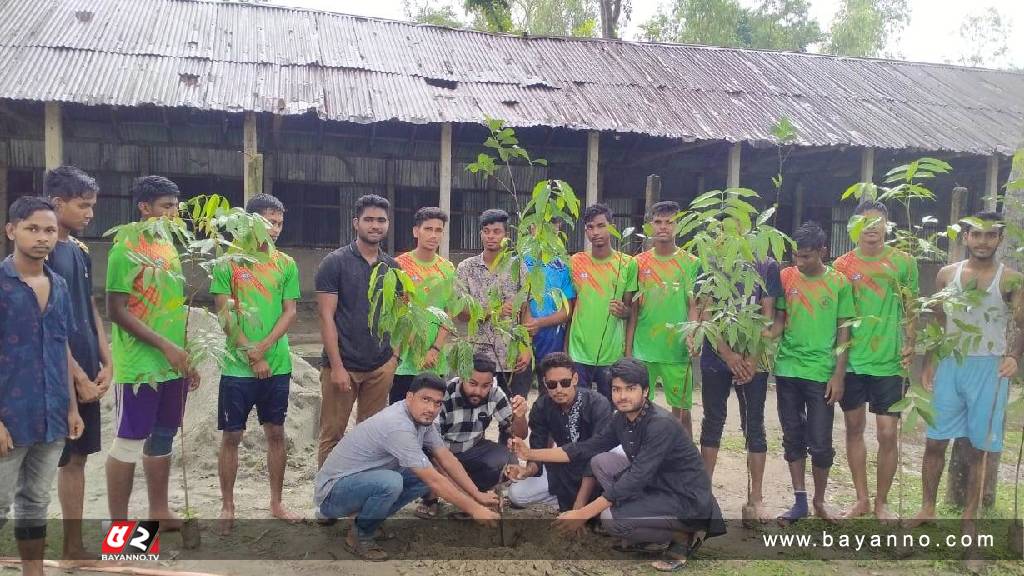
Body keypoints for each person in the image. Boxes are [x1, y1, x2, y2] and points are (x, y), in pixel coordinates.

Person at [510, 358, 724, 572]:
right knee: (600, 461)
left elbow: (636, 477)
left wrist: (583, 513)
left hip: (686, 497)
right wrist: (529, 453)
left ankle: (682, 535)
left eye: (630, 389)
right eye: (616, 389)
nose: (622, 396)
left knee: (610, 519)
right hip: (656, 486)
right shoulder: (621, 419)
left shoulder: (661, 424)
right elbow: (586, 448)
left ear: (646, 391)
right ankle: (647, 521)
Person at [907, 211, 1023, 538]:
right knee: (935, 441)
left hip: (989, 368)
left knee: (978, 448)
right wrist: (930, 359)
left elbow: (1022, 323)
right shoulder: (946, 276)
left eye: (990, 235)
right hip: (950, 365)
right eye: (976, 234)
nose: (983, 242)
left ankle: (969, 517)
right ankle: (927, 507)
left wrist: (1013, 355)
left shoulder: (1010, 279)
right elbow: (938, 320)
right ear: (965, 237)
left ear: (1000, 238)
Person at [315, 373, 500, 561]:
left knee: (417, 479)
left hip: (359, 482)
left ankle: (369, 522)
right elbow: (434, 480)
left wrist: (478, 495)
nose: (431, 408)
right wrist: (475, 509)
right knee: (392, 482)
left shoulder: (422, 421)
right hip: (332, 494)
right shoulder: (398, 425)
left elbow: (446, 458)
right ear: (409, 397)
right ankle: (360, 536)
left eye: (437, 403)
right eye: (425, 400)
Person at [105, 176, 198, 528]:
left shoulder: (168, 247)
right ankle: (119, 529)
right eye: (165, 206)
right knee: (129, 442)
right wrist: (165, 346)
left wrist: (187, 355)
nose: (173, 213)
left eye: (176, 206)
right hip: (140, 365)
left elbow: (171, 308)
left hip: (172, 364)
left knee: (163, 437)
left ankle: (158, 512)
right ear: (144, 207)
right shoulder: (124, 248)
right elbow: (116, 309)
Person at [0, 196, 84, 576]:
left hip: (51, 415)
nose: (41, 237)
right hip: (9, 418)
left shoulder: (60, 285)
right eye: (32, 228)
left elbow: (60, 344)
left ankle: (34, 571)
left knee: (35, 500)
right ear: (11, 230)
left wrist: (71, 408)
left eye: (49, 230)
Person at [212, 193, 301, 534]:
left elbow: (290, 311)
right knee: (232, 435)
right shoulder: (228, 263)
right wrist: (250, 352)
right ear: (250, 222)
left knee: (276, 433)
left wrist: (263, 349)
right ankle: (227, 505)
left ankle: (276, 502)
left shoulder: (286, 264)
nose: (275, 229)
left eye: (279, 223)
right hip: (237, 368)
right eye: (268, 222)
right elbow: (225, 312)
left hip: (276, 365)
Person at [833, 200, 918, 522]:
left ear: (888, 226)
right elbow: (839, 317)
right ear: (853, 226)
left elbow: (911, 308)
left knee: (887, 433)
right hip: (853, 362)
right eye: (864, 222)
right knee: (854, 428)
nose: (871, 228)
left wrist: (911, 343)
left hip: (889, 363)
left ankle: (883, 502)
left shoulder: (903, 263)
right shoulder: (841, 266)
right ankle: (862, 499)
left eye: (878, 222)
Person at [45, 167, 113, 561]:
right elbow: (50, 321)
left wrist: (106, 360)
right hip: (60, 370)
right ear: (58, 203)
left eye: (91, 206)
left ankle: (75, 546)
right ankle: (70, 548)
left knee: (79, 457)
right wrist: (77, 377)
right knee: (64, 457)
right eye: (83, 206)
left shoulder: (80, 251)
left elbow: (89, 307)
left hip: (88, 367)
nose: (90, 214)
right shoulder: (47, 251)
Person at [767, 221, 853, 526]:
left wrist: (838, 375)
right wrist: (757, 339)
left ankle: (819, 501)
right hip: (787, 370)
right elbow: (778, 320)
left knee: (820, 441)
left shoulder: (840, 283)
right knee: (792, 436)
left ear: (823, 252)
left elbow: (845, 334)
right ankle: (800, 501)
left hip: (821, 374)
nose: (799, 263)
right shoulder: (785, 277)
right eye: (796, 256)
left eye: (806, 257)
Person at [315, 194, 400, 469]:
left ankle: (360, 494)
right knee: (333, 435)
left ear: (387, 224)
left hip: (379, 367)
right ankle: (327, 499)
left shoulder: (393, 267)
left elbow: (399, 315)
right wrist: (337, 367)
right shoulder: (335, 262)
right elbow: (326, 316)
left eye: (381, 220)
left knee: (370, 436)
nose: (375, 226)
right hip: (343, 366)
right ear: (356, 223)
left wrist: (393, 359)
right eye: (369, 220)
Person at [699, 258, 782, 524]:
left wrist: (753, 358)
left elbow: (767, 315)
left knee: (754, 425)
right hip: (715, 357)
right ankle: (704, 494)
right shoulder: (710, 263)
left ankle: (755, 499)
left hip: (753, 358)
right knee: (712, 421)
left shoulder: (767, 266)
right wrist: (728, 355)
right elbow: (706, 315)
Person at [626, 201, 699, 435]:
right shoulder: (638, 263)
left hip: (676, 350)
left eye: (669, 222)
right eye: (658, 222)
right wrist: (628, 350)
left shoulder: (691, 263)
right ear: (650, 226)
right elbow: (633, 310)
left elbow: (693, 305)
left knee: (681, 415)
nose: (663, 227)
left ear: (678, 225)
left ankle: (682, 466)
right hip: (644, 349)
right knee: (637, 411)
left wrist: (693, 336)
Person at [506, 352, 612, 512]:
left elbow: (594, 453)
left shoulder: (597, 404)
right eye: (552, 385)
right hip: (561, 470)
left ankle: (583, 501)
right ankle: (567, 499)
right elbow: (538, 452)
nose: (559, 389)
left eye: (565, 382)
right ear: (545, 383)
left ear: (575, 379)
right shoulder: (542, 406)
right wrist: (526, 471)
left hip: (595, 472)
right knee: (516, 494)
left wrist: (578, 507)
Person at [455, 208, 532, 398]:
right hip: (478, 359)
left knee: (513, 418)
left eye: (496, 231)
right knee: (476, 418)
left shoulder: (518, 267)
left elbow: (526, 311)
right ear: (480, 233)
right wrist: (494, 311)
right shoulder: (466, 268)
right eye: (486, 231)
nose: (491, 236)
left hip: (512, 357)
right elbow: (460, 313)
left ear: (506, 235)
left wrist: (526, 348)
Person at [567, 204, 637, 401]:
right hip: (579, 351)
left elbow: (631, 310)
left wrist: (624, 312)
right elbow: (570, 308)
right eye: (590, 227)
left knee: (610, 409)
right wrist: (566, 350)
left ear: (612, 227)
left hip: (611, 354)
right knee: (579, 408)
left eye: (601, 225)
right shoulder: (575, 261)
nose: (595, 232)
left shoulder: (627, 263)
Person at [391, 207, 455, 404]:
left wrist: (434, 349)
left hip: (436, 360)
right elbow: (399, 313)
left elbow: (448, 314)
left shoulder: (447, 269)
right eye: (428, 229)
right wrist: (419, 350)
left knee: (431, 417)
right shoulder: (399, 266)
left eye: (438, 230)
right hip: (404, 360)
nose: (433, 235)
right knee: (401, 415)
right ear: (415, 231)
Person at [436, 355, 527, 491]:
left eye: (485, 386)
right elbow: (431, 443)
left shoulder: (495, 393)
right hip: (443, 451)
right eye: (472, 383)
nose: (478, 391)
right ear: (462, 377)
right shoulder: (444, 393)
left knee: (508, 461)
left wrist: (520, 416)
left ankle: (476, 491)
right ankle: (433, 499)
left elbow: (518, 434)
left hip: (474, 448)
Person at [522, 218, 576, 391]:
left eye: (553, 223)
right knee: (516, 396)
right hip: (521, 340)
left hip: (553, 341)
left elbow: (567, 310)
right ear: (531, 226)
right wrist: (527, 321)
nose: (546, 229)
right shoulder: (519, 260)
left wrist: (539, 323)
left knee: (551, 393)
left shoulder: (564, 265)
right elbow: (514, 296)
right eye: (540, 222)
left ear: (558, 227)